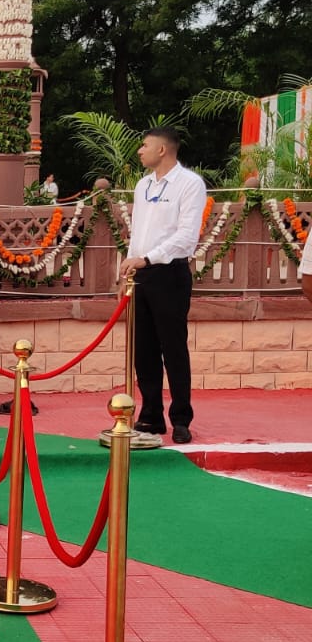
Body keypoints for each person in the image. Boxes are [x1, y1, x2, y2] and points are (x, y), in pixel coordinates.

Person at [122, 126, 206, 444]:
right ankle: (151, 415)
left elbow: (186, 236)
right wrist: (130, 267)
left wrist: (148, 258)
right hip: (141, 274)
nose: (139, 150)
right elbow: (138, 233)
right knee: (143, 349)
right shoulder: (143, 185)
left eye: (145, 145)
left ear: (162, 149)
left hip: (170, 273)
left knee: (173, 347)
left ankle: (181, 418)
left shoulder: (190, 184)